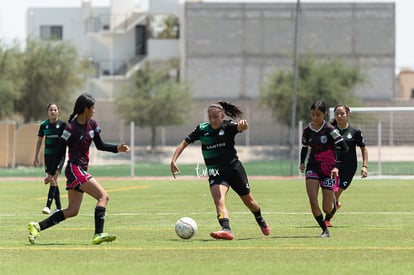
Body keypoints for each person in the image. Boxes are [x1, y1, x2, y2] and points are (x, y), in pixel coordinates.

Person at [28, 93, 130, 245]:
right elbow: (60, 151)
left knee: (72, 210)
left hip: (80, 169)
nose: (94, 111)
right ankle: (98, 234)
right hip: (75, 169)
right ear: (85, 109)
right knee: (103, 197)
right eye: (92, 108)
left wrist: (117, 148)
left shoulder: (92, 124)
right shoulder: (71, 128)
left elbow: (100, 145)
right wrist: (52, 173)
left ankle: (37, 226)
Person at [170, 101, 270, 240]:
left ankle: (260, 220)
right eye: (210, 117)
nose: (213, 120)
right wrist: (173, 160)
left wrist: (243, 125)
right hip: (216, 173)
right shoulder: (202, 129)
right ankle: (226, 229)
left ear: (222, 115)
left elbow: (241, 127)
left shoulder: (228, 126)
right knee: (219, 200)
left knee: (250, 202)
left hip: (234, 169)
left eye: (216, 117)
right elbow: (184, 143)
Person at [299, 101, 348, 238]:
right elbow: (304, 148)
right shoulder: (307, 130)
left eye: (318, 115)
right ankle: (324, 230)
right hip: (313, 168)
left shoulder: (330, 130)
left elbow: (344, 148)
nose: (315, 118)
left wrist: (336, 166)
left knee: (327, 208)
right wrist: (302, 162)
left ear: (325, 114)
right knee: (312, 200)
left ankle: (334, 201)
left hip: (328, 169)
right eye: (313, 115)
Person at [324, 104, 368, 227]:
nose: (339, 116)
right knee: (330, 194)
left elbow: (364, 149)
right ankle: (334, 206)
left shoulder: (355, 132)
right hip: (332, 166)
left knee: (336, 193)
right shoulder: (330, 130)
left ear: (348, 115)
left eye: (342, 114)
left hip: (349, 167)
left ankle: (327, 220)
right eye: (337, 114)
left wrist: (364, 166)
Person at [33, 103, 66, 215]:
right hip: (48, 156)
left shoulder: (62, 125)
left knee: (52, 179)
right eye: (51, 109)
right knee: (53, 181)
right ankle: (59, 207)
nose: (53, 111)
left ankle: (47, 206)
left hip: (60, 156)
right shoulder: (44, 125)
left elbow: (67, 140)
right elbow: (39, 141)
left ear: (58, 111)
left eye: (55, 109)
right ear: (47, 112)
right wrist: (36, 156)